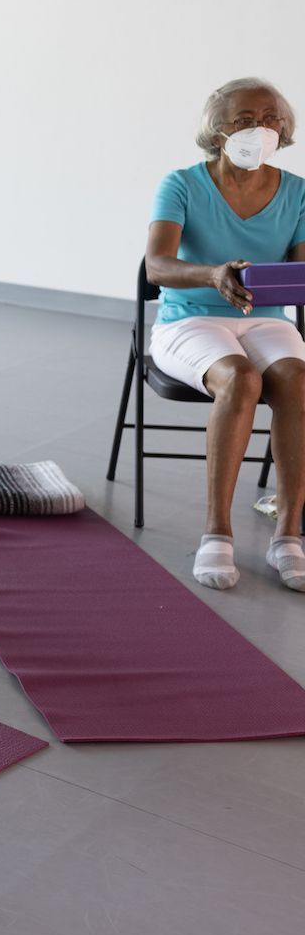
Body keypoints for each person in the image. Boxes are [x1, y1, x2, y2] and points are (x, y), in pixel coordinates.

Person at [145, 77, 305, 592]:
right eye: (244, 119)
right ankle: (217, 531)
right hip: (189, 317)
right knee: (239, 378)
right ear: (217, 131)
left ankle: (288, 535)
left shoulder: (298, 192)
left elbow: (300, 275)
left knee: (297, 381)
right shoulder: (182, 184)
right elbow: (157, 265)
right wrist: (213, 273)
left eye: (272, 118)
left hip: (266, 318)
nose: (261, 128)